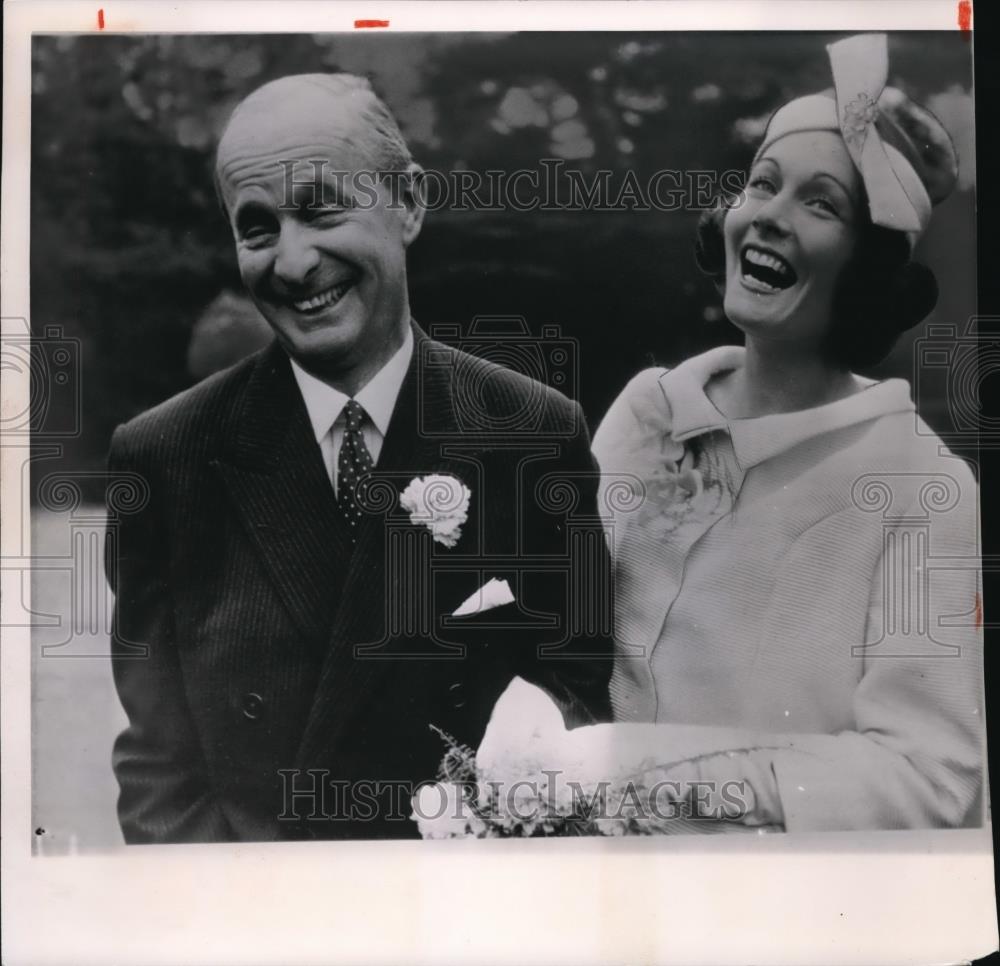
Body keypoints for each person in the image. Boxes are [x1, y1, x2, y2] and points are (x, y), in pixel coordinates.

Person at [105, 73, 613, 844]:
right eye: (258, 228)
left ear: (408, 202)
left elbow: (574, 708)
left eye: (319, 209)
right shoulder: (166, 458)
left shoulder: (534, 436)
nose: (293, 261)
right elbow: (159, 771)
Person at [589, 34, 983, 831]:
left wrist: (670, 782)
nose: (767, 217)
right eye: (761, 185)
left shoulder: (919, 483)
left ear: (869, 267)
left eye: (820, 202)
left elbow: (927, 775)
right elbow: (557, 644)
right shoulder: (646, 412)